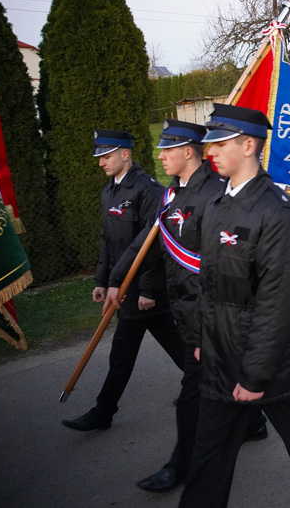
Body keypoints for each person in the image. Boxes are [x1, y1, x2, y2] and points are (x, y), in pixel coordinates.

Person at [180, 104, 290, 508]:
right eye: (208, 141)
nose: (209, 150)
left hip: (267, 357)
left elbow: (278, 303)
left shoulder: (279, 213)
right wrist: (202, 338)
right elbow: (210, 285)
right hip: (219, 351)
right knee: (209, 450)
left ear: (249, 145)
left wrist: (255, 374)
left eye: (219, 142)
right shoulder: (216, 206)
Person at [103, 119, 267, 493]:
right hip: (187, 309)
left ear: (188, 152)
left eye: (167, 150)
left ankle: (180, 466)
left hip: (215, 311)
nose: (160, 157)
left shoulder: (216, 195)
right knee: (250, 390)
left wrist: (216, 321)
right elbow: (146, 240)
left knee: (193, 395)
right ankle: (256, 423)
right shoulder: (170, 195)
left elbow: (228, 263)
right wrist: (116, 278)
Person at [62, 130, 184, 432]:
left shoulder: (147, 191)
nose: (101, 162)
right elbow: (108, 241)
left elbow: (157, 244)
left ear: (125, 154)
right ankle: (226, 400)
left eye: (106, 156)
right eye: (99, 157)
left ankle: (103, 413)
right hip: (124, 286)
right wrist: (101, 280)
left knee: (122, 354)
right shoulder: (109, 192)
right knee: (180, 349)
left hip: (143, 291)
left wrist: (149, 290)